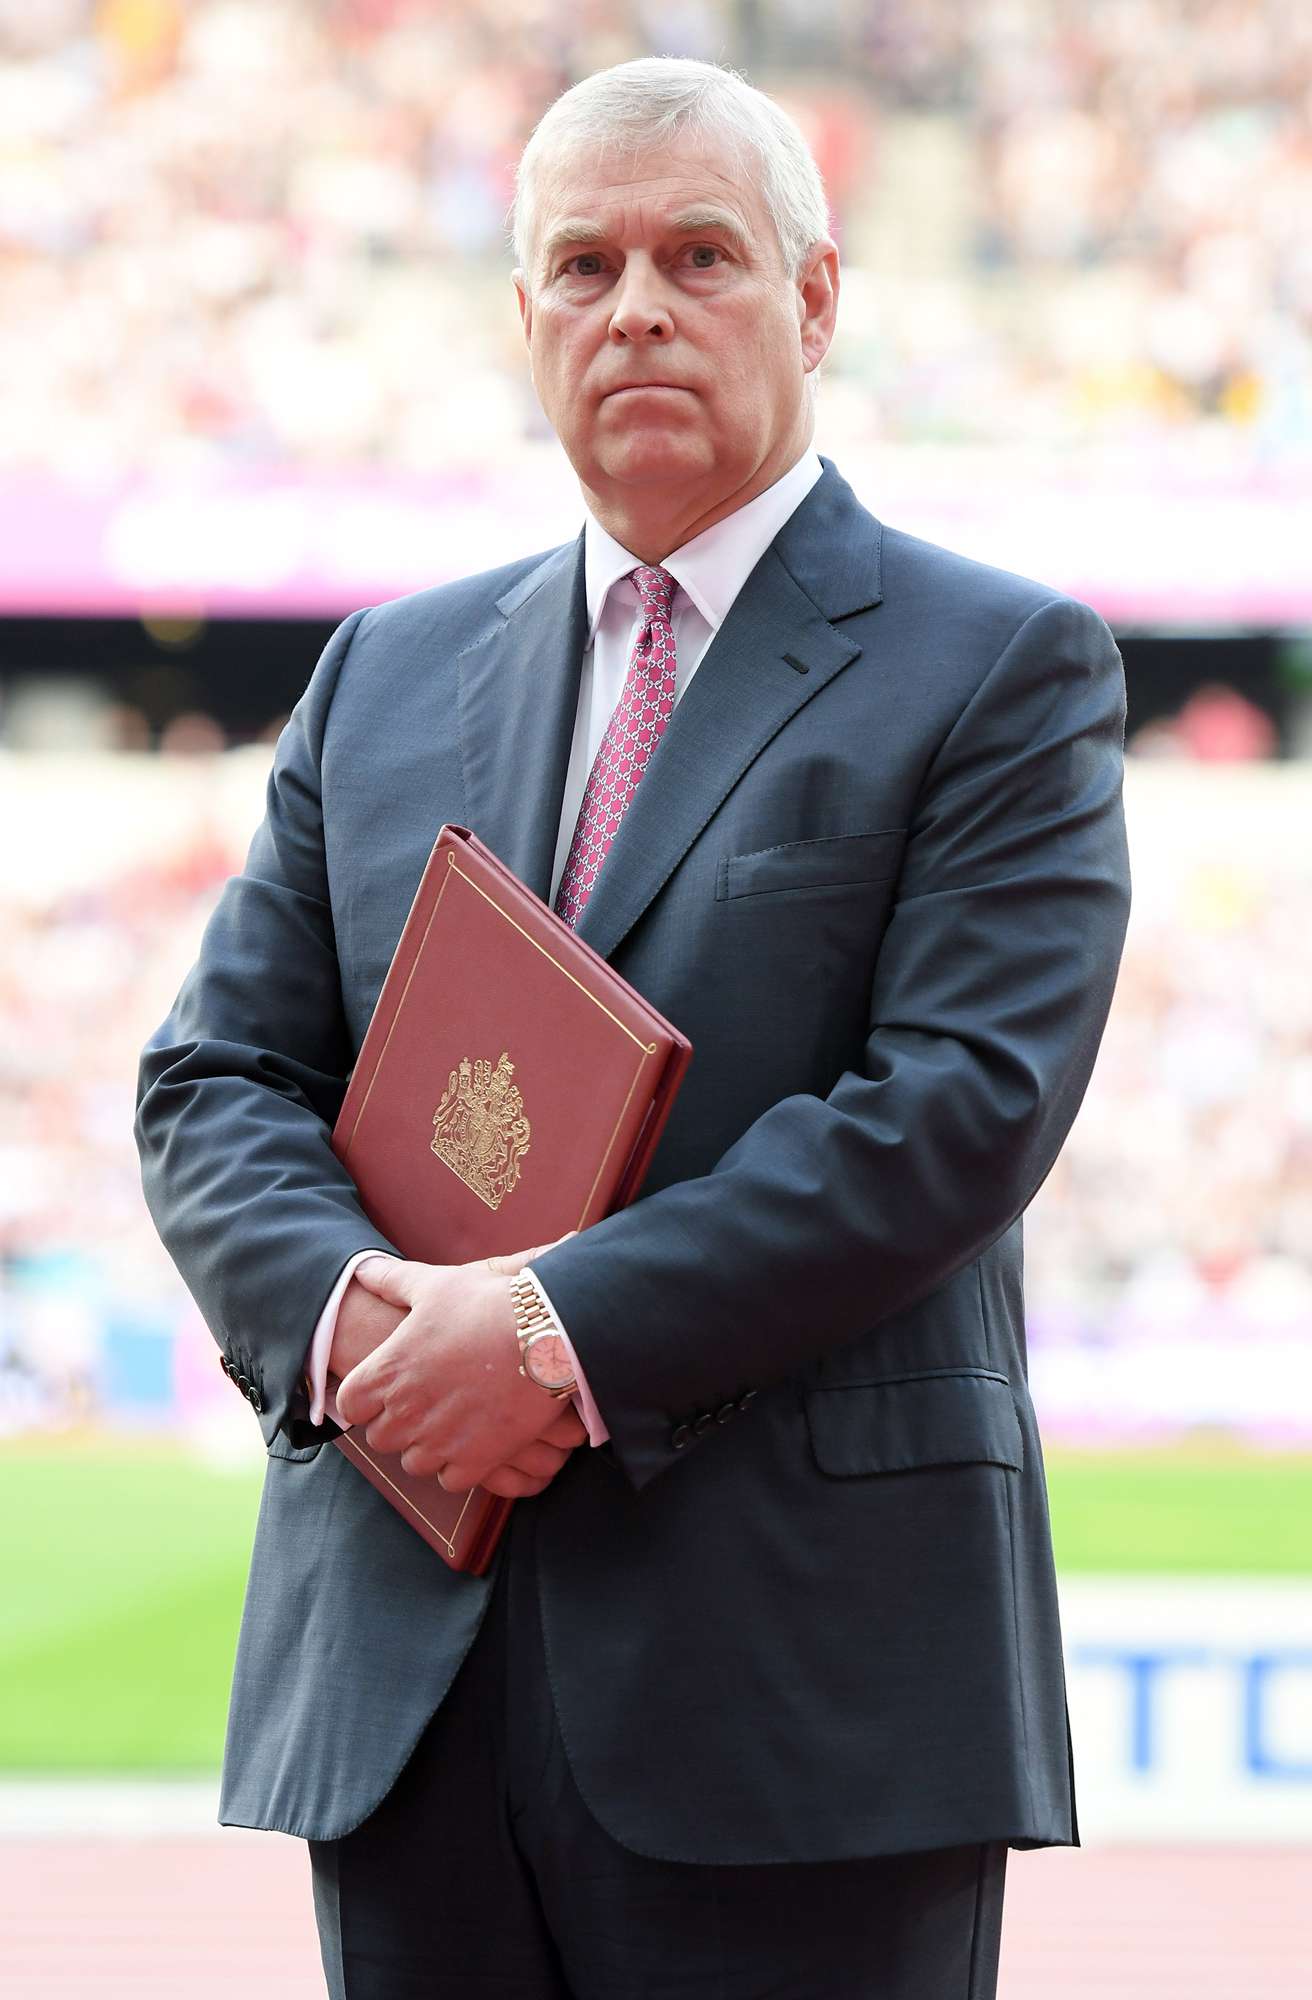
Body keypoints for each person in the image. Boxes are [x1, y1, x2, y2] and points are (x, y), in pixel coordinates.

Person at [136, 56, 1130, 2000]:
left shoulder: (998, 664)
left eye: (698, 255)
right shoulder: (385, 673)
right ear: (523, 322)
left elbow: (951, 1108)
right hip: (409, 1688)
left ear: (815, 298)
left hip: (798, 1699)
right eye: (580, 267)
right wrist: (357, 1327)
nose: (636, 308)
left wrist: (552, 1332)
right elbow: (215, 1079)